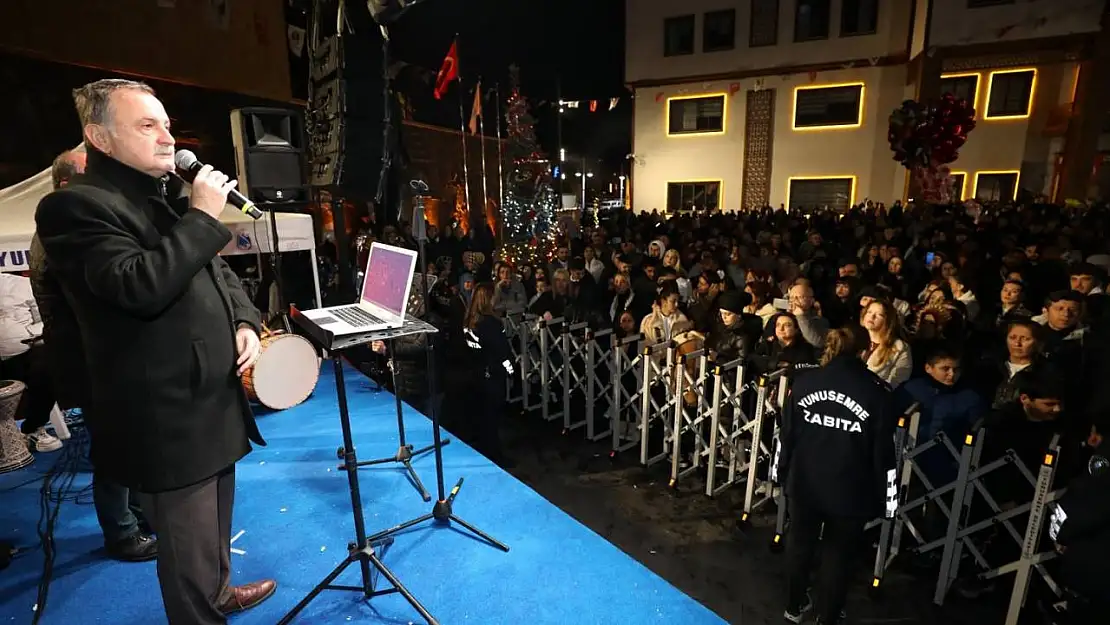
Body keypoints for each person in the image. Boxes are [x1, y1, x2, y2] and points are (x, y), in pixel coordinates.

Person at [34, 79, 274, 624]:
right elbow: (138, 287)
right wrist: (204, 216)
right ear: (100, 137)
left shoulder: (162, 198)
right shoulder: (73, 208)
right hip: (167, 413)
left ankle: (219, 593)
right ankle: (200, 611)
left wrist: (243, 320)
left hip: (211, 395)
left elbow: (214, 271)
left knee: (215, 523)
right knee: (186, 545)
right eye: (148, 126)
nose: (168, 137)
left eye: (166, 124)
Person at [28, 148, 158, 562]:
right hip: (89, 361)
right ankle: (122, 533)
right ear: (69, 180)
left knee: (130, 444)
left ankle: (138, 516)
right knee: (114, 449)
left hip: (98, 358)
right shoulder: (61, 227)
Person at [778, 325, 897, 625]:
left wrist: (781, 474)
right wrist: (890, 501)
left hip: (804, 480)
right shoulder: (876, 393)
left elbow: (786, 434)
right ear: (865, 351)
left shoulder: (804, 382)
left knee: (799, 545)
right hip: (849, 488)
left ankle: (794, 606)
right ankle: (827, 615)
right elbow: (884, 454)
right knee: (839, 555)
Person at [461, 282, 515, 468]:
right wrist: (511, 370)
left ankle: (484, 450)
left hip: (476, 374)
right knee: (491, 417)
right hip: (491, 375)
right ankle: (494, 455)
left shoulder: (469, 321)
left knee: (482, 416)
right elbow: (501, 351)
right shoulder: (490, 323)